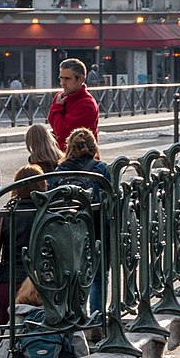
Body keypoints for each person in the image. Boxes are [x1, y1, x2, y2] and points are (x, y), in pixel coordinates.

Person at [54, 127, 111, 315]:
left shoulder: (59, 170)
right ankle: (97, 318)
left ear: (69, 148)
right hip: (96, 228)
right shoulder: (100, 170)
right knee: (98, 276)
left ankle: (77, 317)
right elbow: (111, 200)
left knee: (72, 275)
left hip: (67, 230)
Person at [0, 164, 47, 326]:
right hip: (42, 283)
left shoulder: (5, 216)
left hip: (8, 280)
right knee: (42, 333)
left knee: (7, 336)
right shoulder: (48, 216)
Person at [47, 58, 99, 151]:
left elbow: (63, 132)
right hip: (62, 155)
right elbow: (52, 122)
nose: (63, 83)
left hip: (82, 160)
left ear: (81, 79)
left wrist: (57, 107)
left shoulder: (87, 104)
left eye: (67, 79)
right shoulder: (60, 96)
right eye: (61, 78)